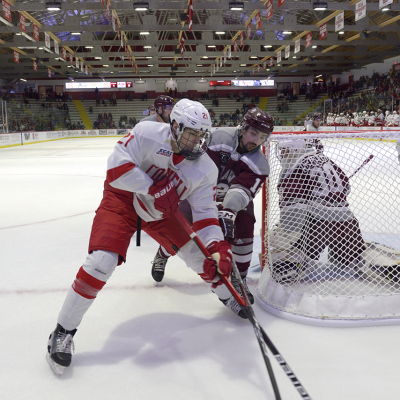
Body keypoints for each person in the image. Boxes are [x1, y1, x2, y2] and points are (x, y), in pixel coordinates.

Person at [46, 99, 245, 377]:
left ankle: (228, 294)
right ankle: (62, 332)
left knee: (202, 256)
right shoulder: (147, 133)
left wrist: (218, 247)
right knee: (101, 261)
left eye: (201, 135)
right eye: (191, 133)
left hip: (163, 212)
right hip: (123, 200)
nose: (196, 141)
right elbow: (115, 169)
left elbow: (206, 216)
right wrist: (153, 188)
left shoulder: (205, 169)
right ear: (174, 126)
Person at [151, 107, 274, 304]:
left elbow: (242, 191)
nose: (256, 141)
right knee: (178, 228)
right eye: (253, 133)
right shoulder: (219, 138)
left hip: (229, 200)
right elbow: (199, 171)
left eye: (262, 137)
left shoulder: (260, 164)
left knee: (245, 223)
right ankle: (162, 253)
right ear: (243, 128)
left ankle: (239, 281)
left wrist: (228, 211)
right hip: (199, 191)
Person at [269, 134, 400, 285]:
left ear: (293, 150)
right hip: (347, 223)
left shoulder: (293, 168)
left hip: (316, 227)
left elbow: (294, 218)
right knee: (352, 257)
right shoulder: (324, 159)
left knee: (285, 247)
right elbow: (345, 187)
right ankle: (379, 264)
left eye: (284, 150)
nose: (281, 154)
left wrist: (281, 235)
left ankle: (291, 266)